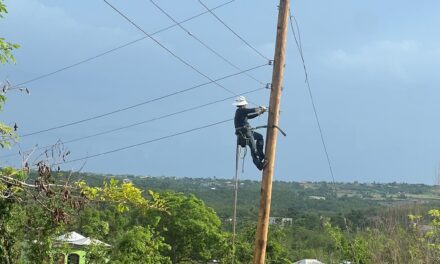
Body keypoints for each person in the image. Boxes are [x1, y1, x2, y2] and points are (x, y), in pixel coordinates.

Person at [233, 96, 267, 170]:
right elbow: (252, 110)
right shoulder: (241, 110)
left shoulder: (240, 112)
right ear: (243, 104)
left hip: (246, 132)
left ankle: (261, 155)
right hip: (245, 133)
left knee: (260, 137)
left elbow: (250, 116)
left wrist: (260, 112)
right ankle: (259, 165)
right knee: (254, 149)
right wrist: (260, 108)